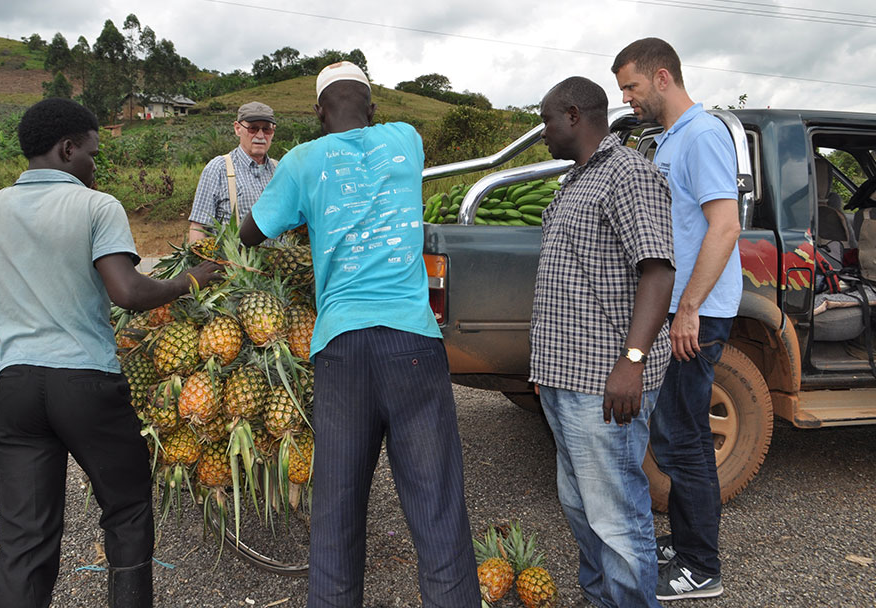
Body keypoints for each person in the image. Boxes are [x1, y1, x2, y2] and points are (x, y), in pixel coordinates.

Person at [240, 61, 480, 608]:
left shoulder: (302, 160)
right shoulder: (406, 137)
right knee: (436, 504)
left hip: (341, 349)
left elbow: (252, 232)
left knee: (337, 509)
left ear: (318, 112)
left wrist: (307, 204)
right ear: (373, 110)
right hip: (413, 343)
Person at [0, 98, 221, 608]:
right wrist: (189, 280)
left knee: (24, 536)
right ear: (67, 148)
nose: (94, 164)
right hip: (84, 382)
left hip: (16, 387)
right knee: (126, 510)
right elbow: (127, 291)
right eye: (91, 152)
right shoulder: (96, 205)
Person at [530, 76, 675, 607]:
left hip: (603, 381)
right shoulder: (577, 180)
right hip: (565, 378)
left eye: (546, 120)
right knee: (579, 505)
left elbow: (658, 272)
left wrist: (632, 362)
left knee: (616, 515)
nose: (542, 131)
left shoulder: (627, 175)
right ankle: (599, 598)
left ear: (573, 114)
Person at [612, 37, 743, 601]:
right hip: (679, 310)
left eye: (632, 87)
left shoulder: (704, 134)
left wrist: (688, 307)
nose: (627, 99)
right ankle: (688, 542)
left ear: (662, 78)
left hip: (698, 313)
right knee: (672, 435)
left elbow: (725, 226)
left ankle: (700, 567)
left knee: (683, 440)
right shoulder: (668, 140)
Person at [188, 100, 278, 241]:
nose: (260, 136)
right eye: (253, 128)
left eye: (266, 129)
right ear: (237, 128)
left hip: (277, 261)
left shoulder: (279, 170)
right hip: (232, 262)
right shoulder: (218, 169)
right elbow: (198, 227)